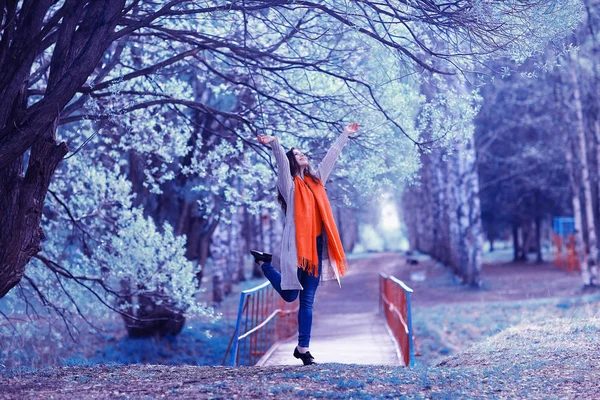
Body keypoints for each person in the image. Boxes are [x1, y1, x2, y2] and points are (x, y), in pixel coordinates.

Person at [251, 122, 359, 365]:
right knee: (290, 297)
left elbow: (331, 158)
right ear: (291, 161)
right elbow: (281, 163)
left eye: (302, 153)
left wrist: (344, 135)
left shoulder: (316, 180)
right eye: (296, 154)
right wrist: (276, 144)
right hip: (297, 251)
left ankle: (303, 348)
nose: (301, 155)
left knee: (307, 300)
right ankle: (265, 264)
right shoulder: (289, 186)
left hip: (317, 249)